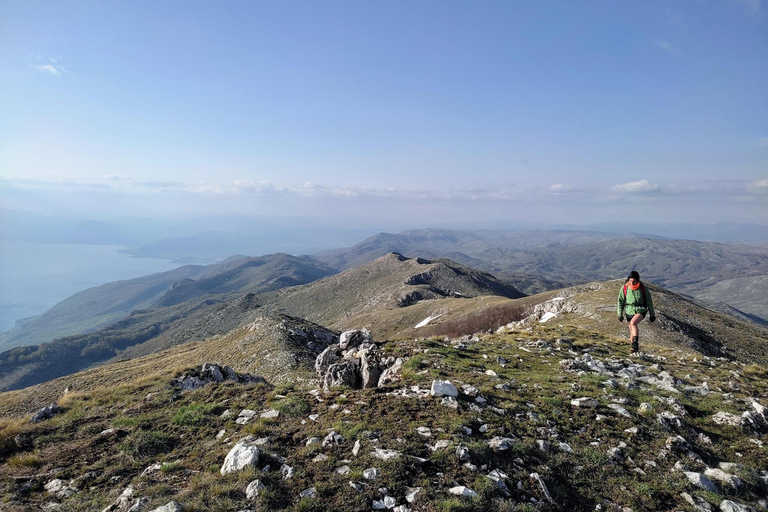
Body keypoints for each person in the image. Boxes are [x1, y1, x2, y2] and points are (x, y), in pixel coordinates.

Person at [617, 271, 656, 353]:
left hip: (640, 310)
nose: (632, 283)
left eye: (634, 281)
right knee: (631, 330)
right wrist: (619, 314)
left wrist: (652, 315)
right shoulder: (624, 288)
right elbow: (620, 302)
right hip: (629, 310)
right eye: (630, 281)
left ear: (638, 280)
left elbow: (649, 302)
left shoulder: (643, 288)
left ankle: (635, 344)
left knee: (633, 323)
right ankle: (634, 350)